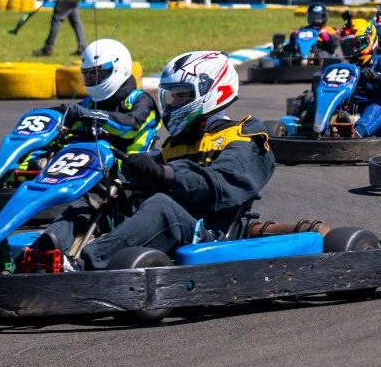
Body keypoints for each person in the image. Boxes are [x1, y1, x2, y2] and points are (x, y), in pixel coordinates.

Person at [30, 51, 274, 270]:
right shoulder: (177, 143)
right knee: (99, 193)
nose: (174, 103)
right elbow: (148, 174)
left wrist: (166, 173)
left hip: (210, 233)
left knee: (161, 205)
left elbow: (223, 185)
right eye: (171, 97)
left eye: (182, 96)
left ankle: (82, 264)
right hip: (173, 228)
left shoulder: (244, 136)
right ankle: (47, 249)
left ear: (213, 91)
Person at [55, 39, 160, 155]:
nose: (93, 79)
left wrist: (92, 115)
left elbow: (131, 126)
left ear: (119, 68)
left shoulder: (141, 100)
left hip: (130, 165)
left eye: (99, 74)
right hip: (89, 162)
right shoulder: (89, 103)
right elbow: (69, 117)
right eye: (89, 74)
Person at [339, 19, 381, 137]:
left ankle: (356, 135)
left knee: (374, 109)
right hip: (357, 109)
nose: (352, 50)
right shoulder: (349, 67)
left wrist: (376, 76)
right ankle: (314, 129)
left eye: (356, 45)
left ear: (369, 40)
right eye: (348, 46)